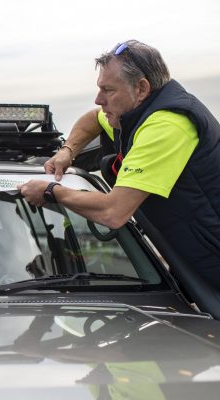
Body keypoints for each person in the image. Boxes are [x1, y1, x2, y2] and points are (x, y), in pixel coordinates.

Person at [18, 40, 220, 290]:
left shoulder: (166, 126)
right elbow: (93, 119)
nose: (98, 99)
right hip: (194, 263)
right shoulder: (134, 113)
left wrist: (50, 192)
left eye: (108, 90)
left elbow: (113, 213)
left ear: (142, 88)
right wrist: (67, 151)